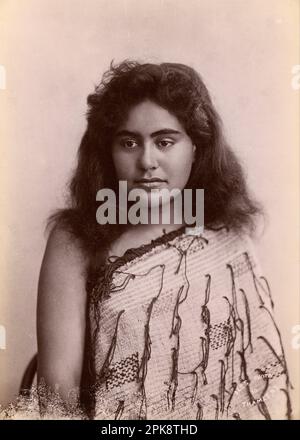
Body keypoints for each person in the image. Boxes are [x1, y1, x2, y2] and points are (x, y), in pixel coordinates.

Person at [2, 60, 293, 420]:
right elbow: (57, 397)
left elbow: (259, 374)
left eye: (165, 141)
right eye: (129, 143)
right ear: (108, 152)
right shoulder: (74, 241)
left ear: (197, 147)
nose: (147, 161)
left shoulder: (225, 233)